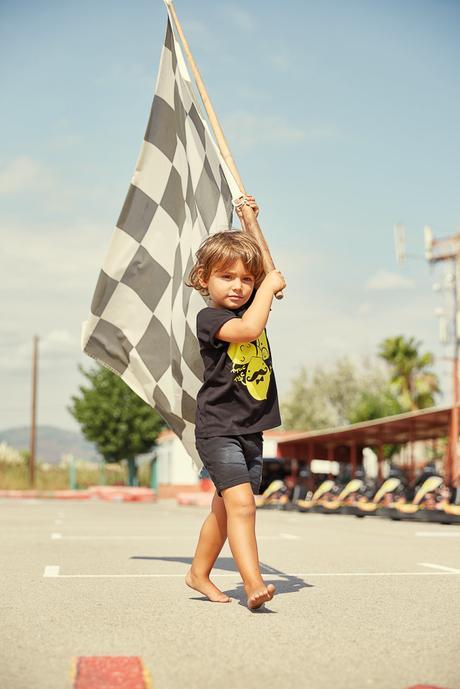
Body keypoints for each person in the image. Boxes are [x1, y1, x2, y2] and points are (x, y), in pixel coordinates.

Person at [184, 196, 286, 610]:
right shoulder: (211, 319)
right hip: (219, 428)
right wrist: (268, 287)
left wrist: (249, 222)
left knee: (226, 512)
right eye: (227, 277)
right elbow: (246, 328)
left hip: (250, 429)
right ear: (204, 279)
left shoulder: (252, 304)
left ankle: (198, 573)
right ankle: (253, 583)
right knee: (242, 504)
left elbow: (270, 274)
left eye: (246, 280)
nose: (239, 286)